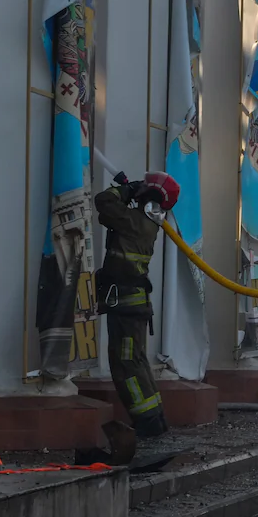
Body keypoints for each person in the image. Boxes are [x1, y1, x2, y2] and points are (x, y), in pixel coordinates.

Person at [95, 171, 180, 438]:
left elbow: (103, 202)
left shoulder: (135, 221)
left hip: (126, 307)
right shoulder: (144, 222)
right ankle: (155, 419)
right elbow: (107, 216)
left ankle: (146, 421)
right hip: (131, 306)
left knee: (126, 365)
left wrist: (127, 190)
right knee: (137, 361)